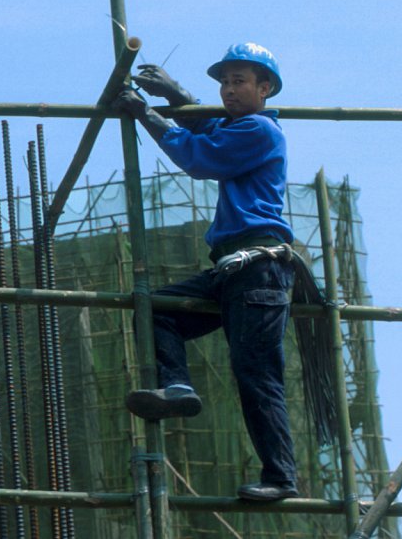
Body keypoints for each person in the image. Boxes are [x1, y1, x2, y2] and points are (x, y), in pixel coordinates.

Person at [114, 42, 300, 502]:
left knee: (255, 372)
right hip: (231, 271)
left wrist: (146, 114)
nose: (228, 89)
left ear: (265, 88)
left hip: (259, 271)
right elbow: (208, 125)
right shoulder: (239, 127)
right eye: (224, 81)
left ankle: (281, 478)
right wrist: (177, 95)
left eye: (239, 81)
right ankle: (177, 387)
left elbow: (201, 155)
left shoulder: (260, 130)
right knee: (158, 308)